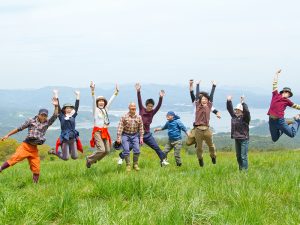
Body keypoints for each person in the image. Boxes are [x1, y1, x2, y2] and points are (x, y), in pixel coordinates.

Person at [0, 96, 59, 183]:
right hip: (25, 146)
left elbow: (55, 116)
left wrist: (56, 106)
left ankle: (35, 185)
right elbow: (19, 128)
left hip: (34, 149)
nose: (43, 117)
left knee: (36, 168)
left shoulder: (47, 123)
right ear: (38, 114)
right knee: (15, 159)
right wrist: (7, 135)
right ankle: (1, 168)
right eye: (42, 115)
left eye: (45, 116)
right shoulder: (31, 121)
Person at [118, 83, 168, 166]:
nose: (150, 108)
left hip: (147, 135)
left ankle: (163, 160)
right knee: (130, 147)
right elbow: (139, 100)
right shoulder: (142, 109)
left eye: (151, 106)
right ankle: (121, 158)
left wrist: (161, 97)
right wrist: (138, 91)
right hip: (138, 134)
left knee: (156, 147)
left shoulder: (152, 112)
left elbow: (158, 106)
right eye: (149, 106)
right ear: (146, 105)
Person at [86, 82, 119, 168]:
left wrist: (116, 93)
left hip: (105, 132)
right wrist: (92, 91)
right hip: (97, 132)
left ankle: (92, 161)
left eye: (102, 101)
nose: (101, 102)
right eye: (99, 101)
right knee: (101, 149)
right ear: (97, 103)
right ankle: (89, 158)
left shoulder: (106, 110)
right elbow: (93, 100)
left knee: (107, 151)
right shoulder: (95, 110)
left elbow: (111, 101)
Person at [48, 90, 83, 160]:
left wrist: (78, 96)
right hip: (64, 139)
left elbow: (76, 106)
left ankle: (68, 151)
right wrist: (56, 94)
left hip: (73, 139)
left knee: (75, 157)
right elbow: (58, 106)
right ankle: (54, 152)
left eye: (70, 108)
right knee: (66, 158)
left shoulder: (73, 115)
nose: (69, 109)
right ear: (64, 109)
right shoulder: (61, 116)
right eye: (67, 108)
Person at [267, 69, 300, 142]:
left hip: (280, 121)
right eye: (286, 92)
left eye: (289, 94)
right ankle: (283, 128)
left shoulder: (287, 101)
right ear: (283, 92)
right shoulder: (275, 95)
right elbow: (274, 83)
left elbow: (297, 106)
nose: (287, 94)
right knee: (274, 139)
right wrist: (276, 74)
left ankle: (297, 121)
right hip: (271, 120)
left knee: (292, 134)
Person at [187, 80, 221, 146]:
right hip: (196, 126)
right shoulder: (195, 103)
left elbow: (215, 111)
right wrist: (191, 84)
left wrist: (218, 114)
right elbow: (191, 92)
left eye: (203, 98)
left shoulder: (207, 106)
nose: (202, 99)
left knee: (204, 142)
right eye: (200, 98)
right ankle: (196, 141)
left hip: (204, 126)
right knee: (189, 142)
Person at [116, 102, 144, 172]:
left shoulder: (139, 117)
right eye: (131, 107)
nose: (133, 108)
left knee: (137, 150)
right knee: (126, 150)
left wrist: (141, 137)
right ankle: (128, 165)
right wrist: (119, 137)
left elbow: (141, 128)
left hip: (135, 135)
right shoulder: (124, 116)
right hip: (125, 135)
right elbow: (120, 127)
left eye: (134, 107)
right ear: (129, 108)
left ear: (135, 108)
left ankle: (135, 165)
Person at [227, 95, 251, 170]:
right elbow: (229, 109)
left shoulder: (245, 118)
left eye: (238, 110)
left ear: (242, 110)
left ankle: (245, 172)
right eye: (236, 109)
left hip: (244, 139)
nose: (236, 111)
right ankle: (241, 170)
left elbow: (247, 111)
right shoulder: (234, 116)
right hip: (237, 138)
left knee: (243, 156)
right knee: (238, 156)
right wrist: (229, 101)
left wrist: (243, 102)